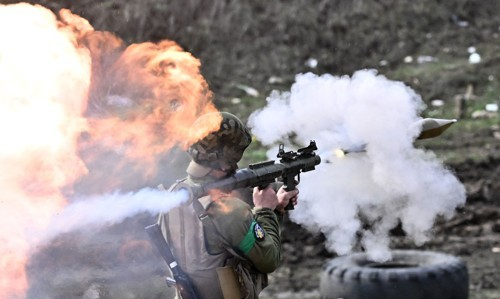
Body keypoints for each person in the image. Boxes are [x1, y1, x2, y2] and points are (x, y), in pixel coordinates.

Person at [157, 111, 299, 299]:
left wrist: (276, 209)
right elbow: (269, 259)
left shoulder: (172, 194)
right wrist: (265, 210)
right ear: (225, 162)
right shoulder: (228, 211)